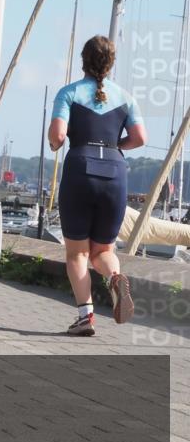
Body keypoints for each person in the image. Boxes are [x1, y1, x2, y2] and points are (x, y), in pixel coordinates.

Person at [48, 35, 144, 337]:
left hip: (80, 168)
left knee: (76, 253)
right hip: (115, 171)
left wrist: (55, 143)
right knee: (103, 249)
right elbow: (141, 138)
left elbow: (58, 136)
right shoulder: (126, 97)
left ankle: (86, 317)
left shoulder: (68, 93)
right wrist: (117, 146)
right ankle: (115, 276)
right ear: (111, 63)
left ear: (83, 60)